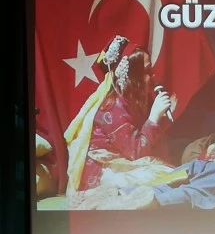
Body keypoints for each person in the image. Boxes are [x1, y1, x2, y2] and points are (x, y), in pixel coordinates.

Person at [64, 35, 176, 206]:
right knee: (163, 175)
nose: (153, 76)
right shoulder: (113, 107)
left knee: (169, 173)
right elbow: (136, 152)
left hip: (124, 163)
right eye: (147, 72)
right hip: (103, 172)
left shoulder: (131, 100)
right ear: (132, 76)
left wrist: (163, 118)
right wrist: (154, 117)